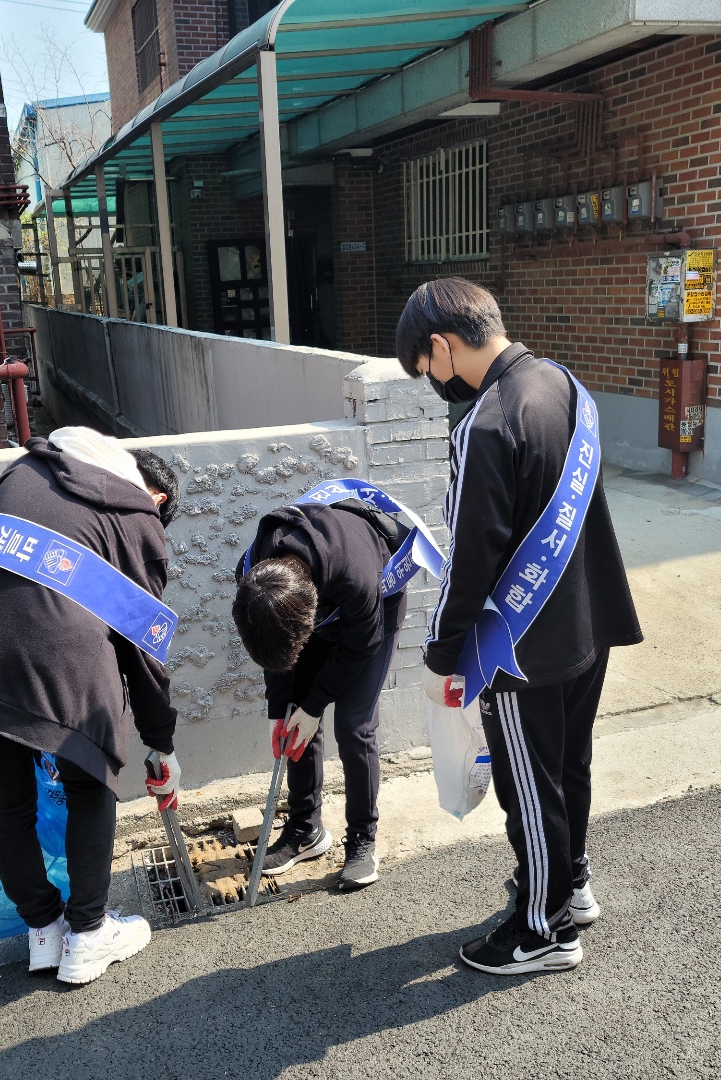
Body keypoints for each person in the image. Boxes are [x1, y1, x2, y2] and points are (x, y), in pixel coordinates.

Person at [396, 278, 643, 976]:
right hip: (590, 619)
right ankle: (572, 884)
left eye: (426, 369)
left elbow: (471, 559)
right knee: (568, 767)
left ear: (441, 346)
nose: (433, 382)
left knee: (529, 786)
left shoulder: (487, 423)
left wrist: (442, 653)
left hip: (523, 641)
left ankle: (544, 930)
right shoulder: (564, 385)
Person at [0, 426, 183, 986]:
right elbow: (139, 642)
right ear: (157, 498)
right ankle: (90, 935)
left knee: (6, 806)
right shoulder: (136, 516)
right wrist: (160, 740)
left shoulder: (22, 472)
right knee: (90, 783)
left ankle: (44, 932)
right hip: (60, 656)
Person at [231, 493, 413, 891]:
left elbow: (360, 644)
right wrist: (280, 711)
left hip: (372, 618)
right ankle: (305, 830)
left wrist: (315, 705)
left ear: (309, 614)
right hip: (314, 609)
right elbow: (277, 654)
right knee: (296, 721)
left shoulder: (356, 573)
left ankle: (362, 838)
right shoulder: (255, 579)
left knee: (354, 724)